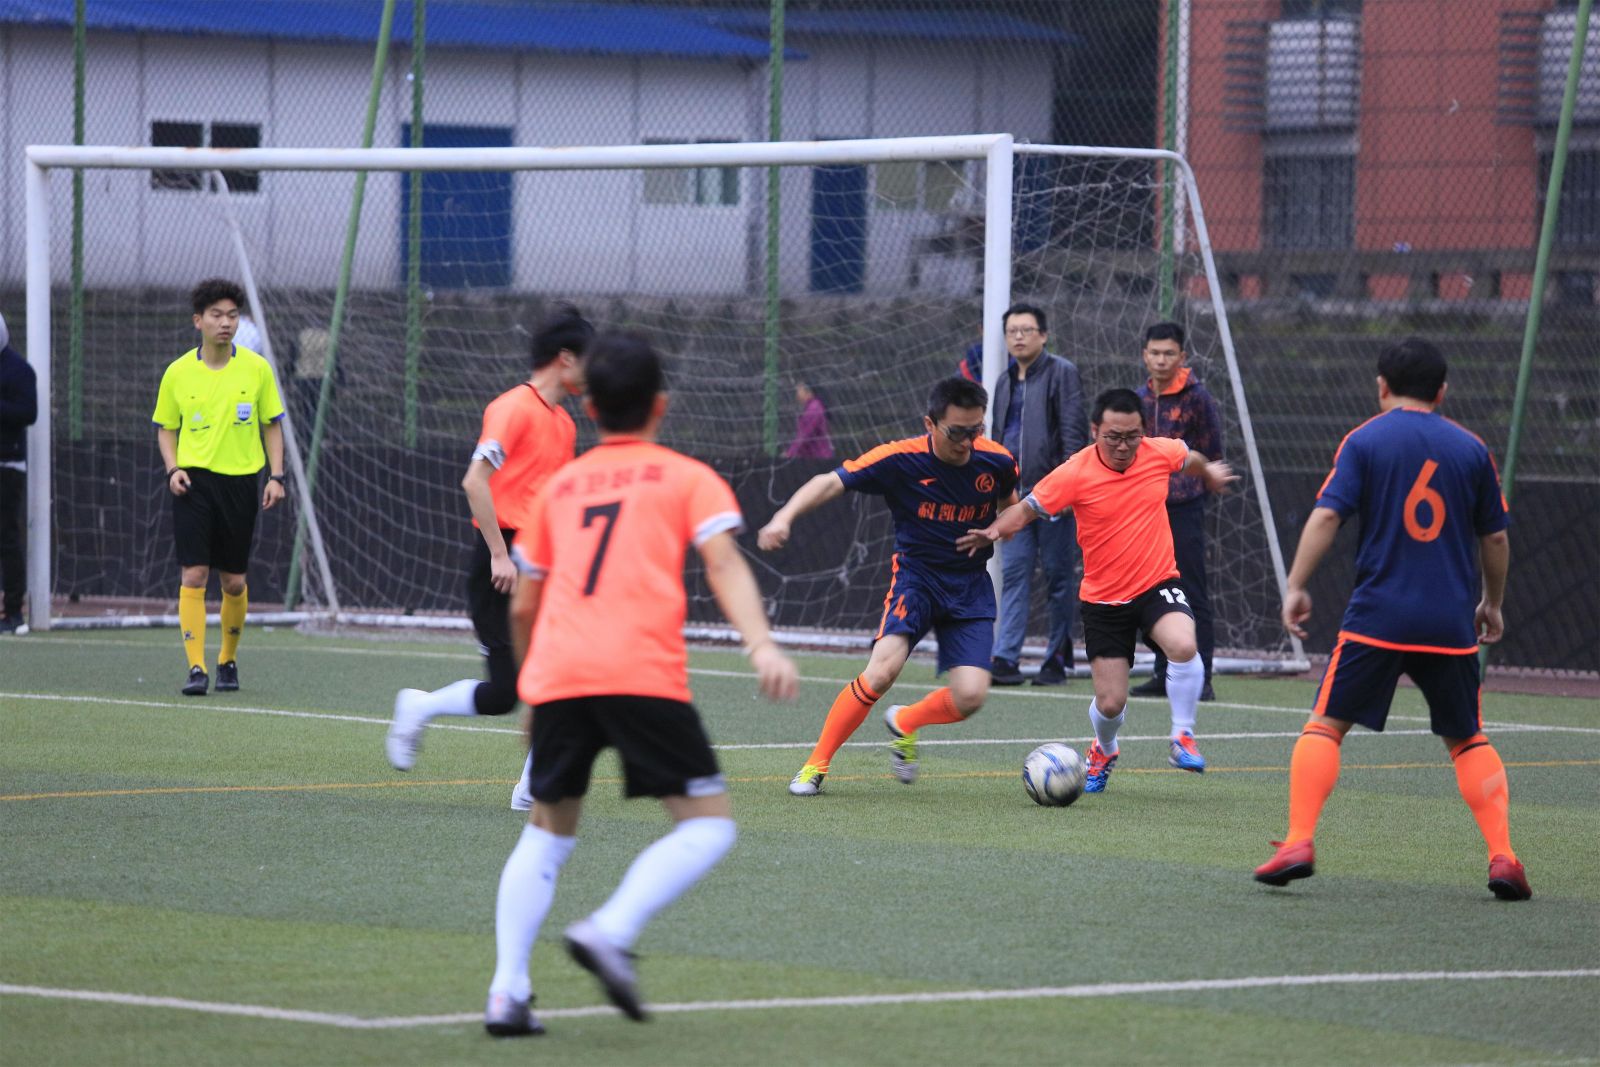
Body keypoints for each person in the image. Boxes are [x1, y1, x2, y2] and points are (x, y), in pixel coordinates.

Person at [483, 331, 798, 1036]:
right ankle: (610, 928)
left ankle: (507, 992)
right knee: (707, 825)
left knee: (546, 833)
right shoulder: (686, 476)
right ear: (662, 404)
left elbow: (525, 605)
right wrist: (761, 644)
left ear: (590, 408)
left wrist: (534, 690)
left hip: (562, 675)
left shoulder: (560, 487)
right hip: (638, 673)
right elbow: (723, 563)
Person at [1254, 339, 1528, 901]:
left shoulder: (1364, 440)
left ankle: (1299, 841)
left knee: (1325, 726)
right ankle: (1503, 856)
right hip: (1449, 623)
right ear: (1442, 391)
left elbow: (1327, 515)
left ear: (1381, 385)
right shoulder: (1472, 448)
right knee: (1467, 738)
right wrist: (1492, 602)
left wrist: (1296, 585)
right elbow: (1496, 537)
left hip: (1377, 618)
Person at [960, 388, 1235, 794]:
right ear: (1095, 431)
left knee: (1182, 644)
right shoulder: (1075, 472)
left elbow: (1187, 457)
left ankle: (1182, 736)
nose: (1123, 446)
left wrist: (1207, 472)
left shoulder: (1159, 451)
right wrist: (993, 532)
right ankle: (1104, 749)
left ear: (1144, 431)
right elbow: (1027, 509)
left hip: (1157, 582)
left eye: (1132, 436)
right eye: (1113, 437)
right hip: (1104, 599)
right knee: (1110, 703)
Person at [758, 376, 1019, 796]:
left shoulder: (998, 461)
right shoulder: (900, 458)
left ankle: (905, 721)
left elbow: (1013, 509)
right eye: (957, 432)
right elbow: (830, 481)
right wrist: (783, 517)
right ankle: (814, 766)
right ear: (930, 423)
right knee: (881, 672)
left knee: (971, 696)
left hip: (970, 585)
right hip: (917, 579)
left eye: (977, 430)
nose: (968, 442)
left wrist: (998, 529)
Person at [387, 305, 593, 806]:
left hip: (541, 562)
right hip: (500, 563)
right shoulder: (512, 408)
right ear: (566, 358)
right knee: (505, 694)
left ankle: (531, 789)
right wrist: (500, 555)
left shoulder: (565, 424)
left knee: (564, 672)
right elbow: (474, 482)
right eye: (591, 359)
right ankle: (419, 707)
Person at [152, 279, 286, 695]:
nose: (225, 323)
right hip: (194, 484)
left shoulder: (257, 369)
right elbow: (166, 428)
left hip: (241, 484)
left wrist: (277, 476)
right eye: (216, 315)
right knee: (194, 574)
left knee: (233, 582)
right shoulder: (177, 372)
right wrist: (173, 469)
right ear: (199, 321)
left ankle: (227, 659)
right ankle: (196, 668)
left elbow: (272, 425)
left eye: (232, 315)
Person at [988, 303, 1087, 688]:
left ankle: (1056, 660)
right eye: (1012, 331)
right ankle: (1005, 658)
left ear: (1043, 335)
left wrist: (1065, 492)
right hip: (1013, 499)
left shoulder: (1063, 373)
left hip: (1053, 498)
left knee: (1059, 578)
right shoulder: (1003, 381)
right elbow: (999, 440)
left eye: (1026, 330)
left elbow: (1074, 436)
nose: (1018, 337)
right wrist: (999, 493)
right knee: (1014, 574)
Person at [1130, 322, 1223, 703]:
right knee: (1149, 591)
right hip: (1143, 510)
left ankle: (1202, 676)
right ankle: (1163, 671)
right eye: (1155, 353)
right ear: (1144, 355)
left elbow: (1212, 452)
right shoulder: (1138, 399)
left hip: (1183, 508)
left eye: (1169, 353)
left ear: (1182, 357)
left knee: (1189, 589)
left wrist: (1195, 487)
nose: (1161, 360)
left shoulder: (1198, 398)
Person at [0, 311, 38, 634]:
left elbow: (28, 412)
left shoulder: (18, 370)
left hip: (7, 465)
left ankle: (13, 612)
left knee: (7, 537)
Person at [783, 380, 833, 459]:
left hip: (818, 457)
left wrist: (789, 454)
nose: (797, 395)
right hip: (814, 456)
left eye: (799, 391)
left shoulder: (814, 409)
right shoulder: (813, 406)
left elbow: (804, 435)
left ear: (809, 392)